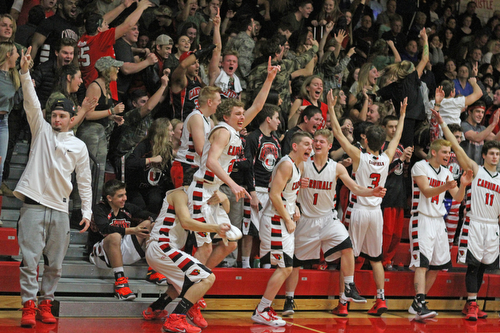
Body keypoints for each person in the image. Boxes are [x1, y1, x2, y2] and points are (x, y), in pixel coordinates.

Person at [16, 48, 92, 328]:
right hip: (33, 205)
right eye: (54, 115)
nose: (57, 119)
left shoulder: (79, 146)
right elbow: (31, 102)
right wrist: (24, 72)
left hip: (60, 208)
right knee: (29, 261)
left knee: (55, 264)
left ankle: (46, 303)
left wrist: (87, 210)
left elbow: (84, 180)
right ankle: (28, 305)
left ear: (72, 119)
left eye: (62, 116)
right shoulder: (41, 130)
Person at [284, 128, 387, 317]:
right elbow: (285, 187)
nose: (316, 144)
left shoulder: (337, 168)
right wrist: (298, 187)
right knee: (295, 263)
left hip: (328, 219)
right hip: (307, 219)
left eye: (321, 141)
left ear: (329, 146)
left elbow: (355, 187)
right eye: (315, 140)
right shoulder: (302, 165)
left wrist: (371, 192)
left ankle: (348, 286)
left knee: (347, 246)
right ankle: (289, 299)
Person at [330, 91, 408, 316]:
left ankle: (344, 303)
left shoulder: (358, 156)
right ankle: (381, 299)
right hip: (377, 213)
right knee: (376, 259)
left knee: (350, 255)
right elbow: (397, 136)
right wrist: (401, 115)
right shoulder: (387, 157)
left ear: (365, 140)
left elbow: (338, 133)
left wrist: (332, 107)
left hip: (359, 210)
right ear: (382, 142)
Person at [433, 108, 499, 322]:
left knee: (482, 266)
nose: (495, 157)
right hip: (474, 223)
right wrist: (443, 124)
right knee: (473, 265)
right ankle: (471, 303)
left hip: (492, 226)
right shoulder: (475, 170)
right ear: (484, 156)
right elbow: (455, 146)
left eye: (498, 154)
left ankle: (472, 301)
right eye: (491, 153)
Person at [408, 105, 473, 318]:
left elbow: (458, 198)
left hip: (438, 221)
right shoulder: (420, 166)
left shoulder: (446, 172)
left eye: (450, 152)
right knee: (422, 262)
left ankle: (418, 302)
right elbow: (426, 191)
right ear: (434, 152)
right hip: (422, 218)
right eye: (445, 152)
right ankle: (419, 302)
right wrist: (447, 186)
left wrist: (462, 184)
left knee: (438, 265)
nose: (449, 155)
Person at [143, 187, 230, 332]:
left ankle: (156, 308)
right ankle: (176, 318)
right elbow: (185, 222)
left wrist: (225, 198)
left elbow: (225, 210)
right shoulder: (179, 194)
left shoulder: (198, 201)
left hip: (164, 249)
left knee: (185, 282)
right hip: (162, 247)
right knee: (206, 278)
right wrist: (216, 228)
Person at [251, 131, 313, 327]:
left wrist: (294, 207)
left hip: (282, 219)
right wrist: (287, 218)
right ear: (295, 146)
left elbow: (287, 194)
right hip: (276, 221)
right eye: (306, 144)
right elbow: (274, 195)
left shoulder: (298, 165)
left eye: (311, 145)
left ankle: (265, 308)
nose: (310, 148)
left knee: (286, 268)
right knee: (285, 267)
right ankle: (262, 309)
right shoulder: (286, 164)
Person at [88, 179, 156, 300]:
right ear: (109, 198)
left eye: (125, 194)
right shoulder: (99, 209)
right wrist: (132, 230)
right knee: (115, 235)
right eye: (120, 196)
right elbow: (105, 229)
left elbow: (149, 215)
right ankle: (120, 283)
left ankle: (154, 269)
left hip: (123, 250)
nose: (125, 198)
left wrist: (155, 222)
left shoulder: (127, 208)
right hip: (102, 254)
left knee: (149, 223)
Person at [243, 104, 281, 269]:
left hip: (270, 191)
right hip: (255, 189)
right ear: (268, 119)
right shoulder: (253, 138)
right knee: (249, 230)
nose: (279, 121)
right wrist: (252, 192)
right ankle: (244, 264)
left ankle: (265, 264)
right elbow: (248, 166)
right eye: (276, 118)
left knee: (268, 229)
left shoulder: (276, 141)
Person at [170, 86, 220, 188]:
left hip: (198, 166)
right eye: (218, 100)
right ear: (209, 102)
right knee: (185, 201)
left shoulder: (209, 121)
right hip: (185, 165)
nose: (220, 103)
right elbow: (200, 149)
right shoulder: (196, 117)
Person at [380, 115, 412, 269]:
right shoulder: (382, 146)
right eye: (390, 126)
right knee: (386, 232)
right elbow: (382, 171)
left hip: (399, 193)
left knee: (397, 234)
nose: (394, 130)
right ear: (384, 128)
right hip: (387, 194)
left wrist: (405, 162)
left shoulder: (400, 146)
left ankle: (388, 260)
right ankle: (380, 260)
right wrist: (400, 159)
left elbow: (402, 173)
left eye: (395, 126)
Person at [169, 44, 216, 121]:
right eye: (193, 63)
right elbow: (183, 65)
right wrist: (199, 52)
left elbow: (208, 92)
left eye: (197, 62)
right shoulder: (180, 80)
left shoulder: (197, 79)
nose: (197, 66)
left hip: (197, 120)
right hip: (182, 123)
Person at [0, 42, 20, 199]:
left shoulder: (14, 75)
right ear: (8, 54)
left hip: (4, 121)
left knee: (0, 165)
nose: (18, 56)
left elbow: (16, 101)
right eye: (16, 53)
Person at [30, 0, 80, 64]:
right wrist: (27, 67)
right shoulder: (49, 23)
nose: (74, 6)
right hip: (47, 69)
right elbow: (35, 45)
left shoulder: (74, 28)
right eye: (70, 3)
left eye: (75, 4)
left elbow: (75, 53)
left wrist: (76, 71)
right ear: (60, 6)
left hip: (65, 70)